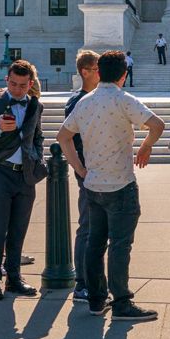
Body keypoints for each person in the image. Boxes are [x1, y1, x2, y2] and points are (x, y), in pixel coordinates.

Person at [59, 50, 164, 322]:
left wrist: (79, 168)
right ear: (123, 75)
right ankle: (121, 302)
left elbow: (63, 137)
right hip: (120, 184)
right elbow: (157, 125)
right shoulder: (123, 100)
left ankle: (96, 300)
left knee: (95, 243)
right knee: (119, 245)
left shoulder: (85, 102)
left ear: (99, 72)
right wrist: (146, 146)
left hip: (93, 184)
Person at [0, 59, 46, 301]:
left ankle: (15, 279)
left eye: (23, 85)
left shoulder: (35, 105)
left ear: (30, 84)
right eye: (14, 84)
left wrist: (38, 157)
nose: (18, 89)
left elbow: (38, 135)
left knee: (19, 229)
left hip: (25, 174)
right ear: (6, 80)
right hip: (0, 171)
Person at [63, 50, 101, 300]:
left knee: (95, 227)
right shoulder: (78, 101)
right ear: (85, 72)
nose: (101, 73)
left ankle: (92, 279)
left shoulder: (94, 97)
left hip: (97, 170)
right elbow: (69, 139)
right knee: (87, 226)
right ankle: (82, 283)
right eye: (98, 69)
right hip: (88, 171)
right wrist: (80, 169)